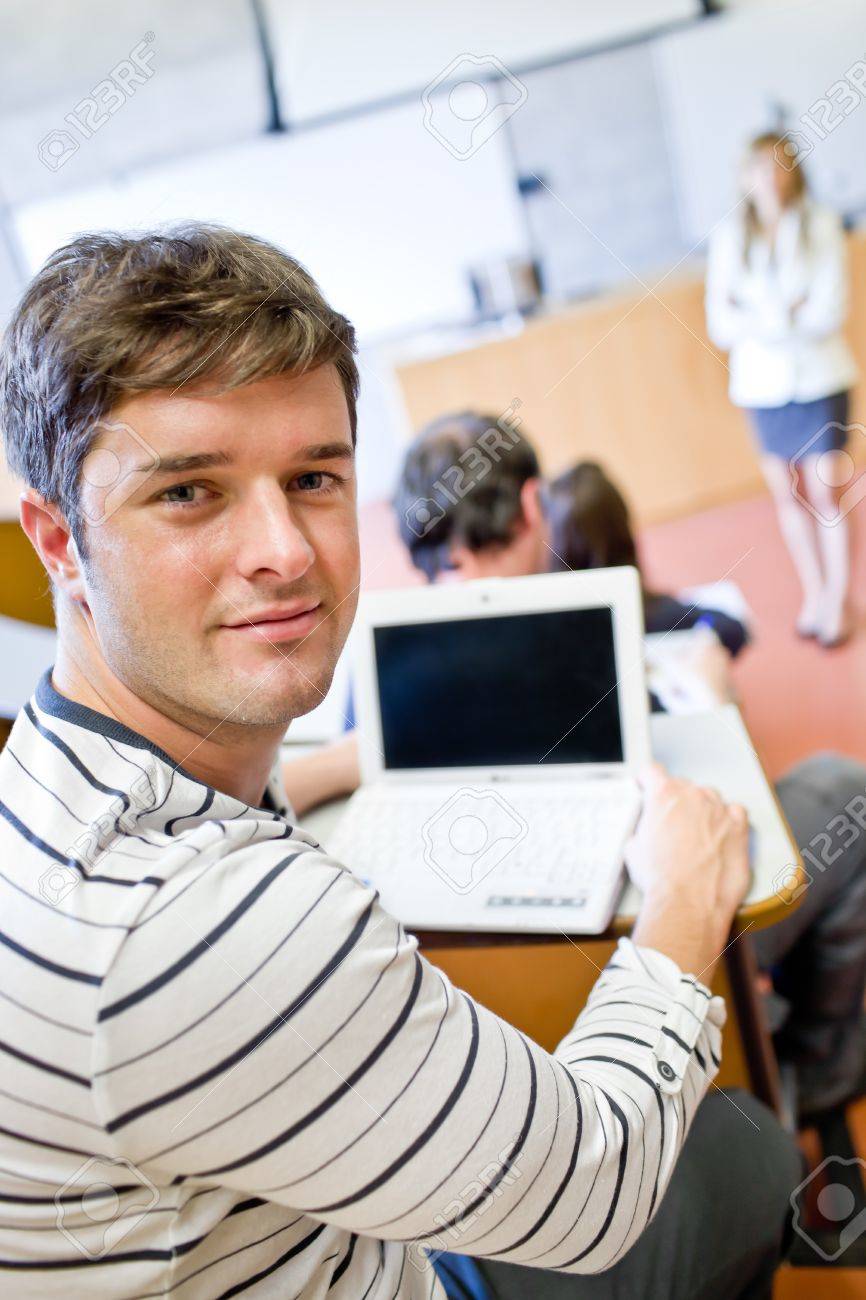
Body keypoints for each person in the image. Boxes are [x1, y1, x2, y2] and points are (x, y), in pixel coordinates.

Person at [0, 225, 800, 1299]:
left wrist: (336, 765)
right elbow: (594, 1186)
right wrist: (685, 903)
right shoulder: (213, 924)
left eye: (313, 476)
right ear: (57, 539)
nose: (285, 550)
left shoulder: (49, 770)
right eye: (189, 490)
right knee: (741, 1147)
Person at [705, 131, 858, 648]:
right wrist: (782, 313)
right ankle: (813, 593)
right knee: (789, 499)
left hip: (819, 380)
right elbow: (721, 324)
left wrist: (756, 315)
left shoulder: (820, 224)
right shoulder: (730, 236)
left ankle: (839, 597)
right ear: (744, 176)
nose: (769, 178)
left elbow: (828, 310)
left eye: (779, 166)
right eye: (759, 168)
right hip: (761, 388)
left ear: (794, 170)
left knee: (825, 494)